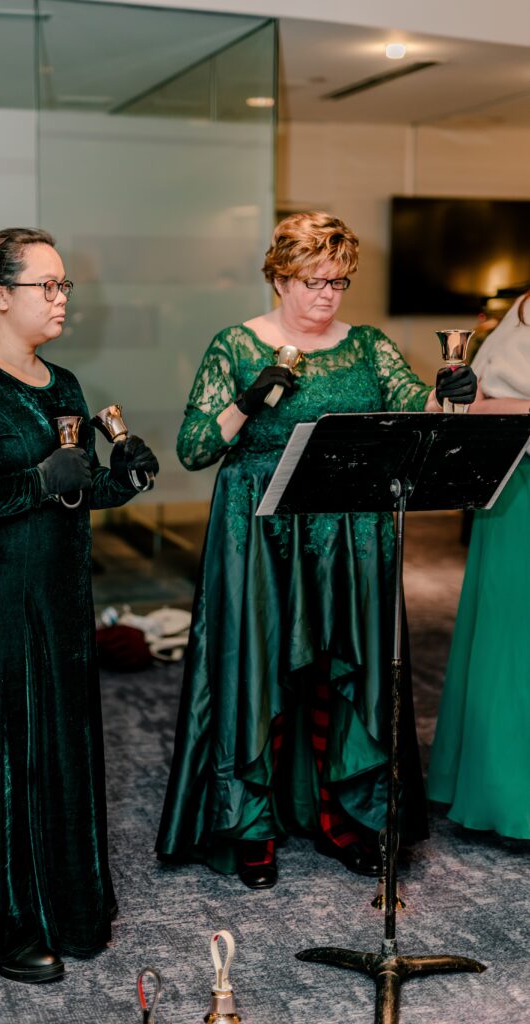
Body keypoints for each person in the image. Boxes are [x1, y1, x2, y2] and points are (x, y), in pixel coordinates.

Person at [155, 211, 476, 889]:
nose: (326, 295)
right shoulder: (237, 345)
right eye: (311, 281)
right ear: (277, 278)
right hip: (260, 532)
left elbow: (412, 412)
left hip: (349, 532)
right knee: (261, 671)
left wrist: (447, 399)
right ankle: (253, 827)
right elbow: (193, 448)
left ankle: (343, 816)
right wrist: (248, 399)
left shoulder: (367, 346)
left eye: (338, 281)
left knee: (342, 671)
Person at [0, 228, 159, 982]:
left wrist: (124, 481)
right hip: (0, 602)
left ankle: (66, 907)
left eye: (64, 287)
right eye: (46, 286)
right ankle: (5, 926)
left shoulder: (64, 385)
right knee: (13, 758)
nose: (61, 300)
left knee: (62, 748)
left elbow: (73, 492)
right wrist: (35, 483)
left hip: (61, 595)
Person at [428, 289, 530, 839]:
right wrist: (467, 398)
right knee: (499, 635)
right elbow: (471, 397)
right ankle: (492, 786)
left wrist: (490, 407)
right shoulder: (517, 307)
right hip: (511, 481)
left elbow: (487, 403)